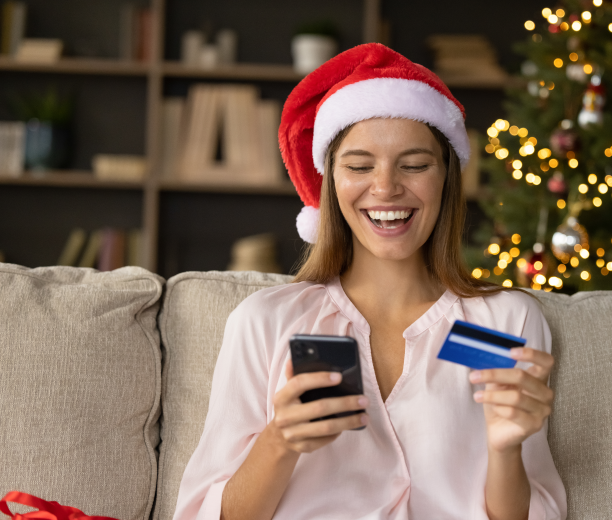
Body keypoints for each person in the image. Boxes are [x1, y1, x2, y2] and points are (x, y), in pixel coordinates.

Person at [173, 43, 566, 520]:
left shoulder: (503, 320)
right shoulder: (268, 322)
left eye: (415, 165)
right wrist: (280, 441)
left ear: (447, 178)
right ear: (332, 183)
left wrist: (505, 451)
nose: (385, 188)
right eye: (359, 166)